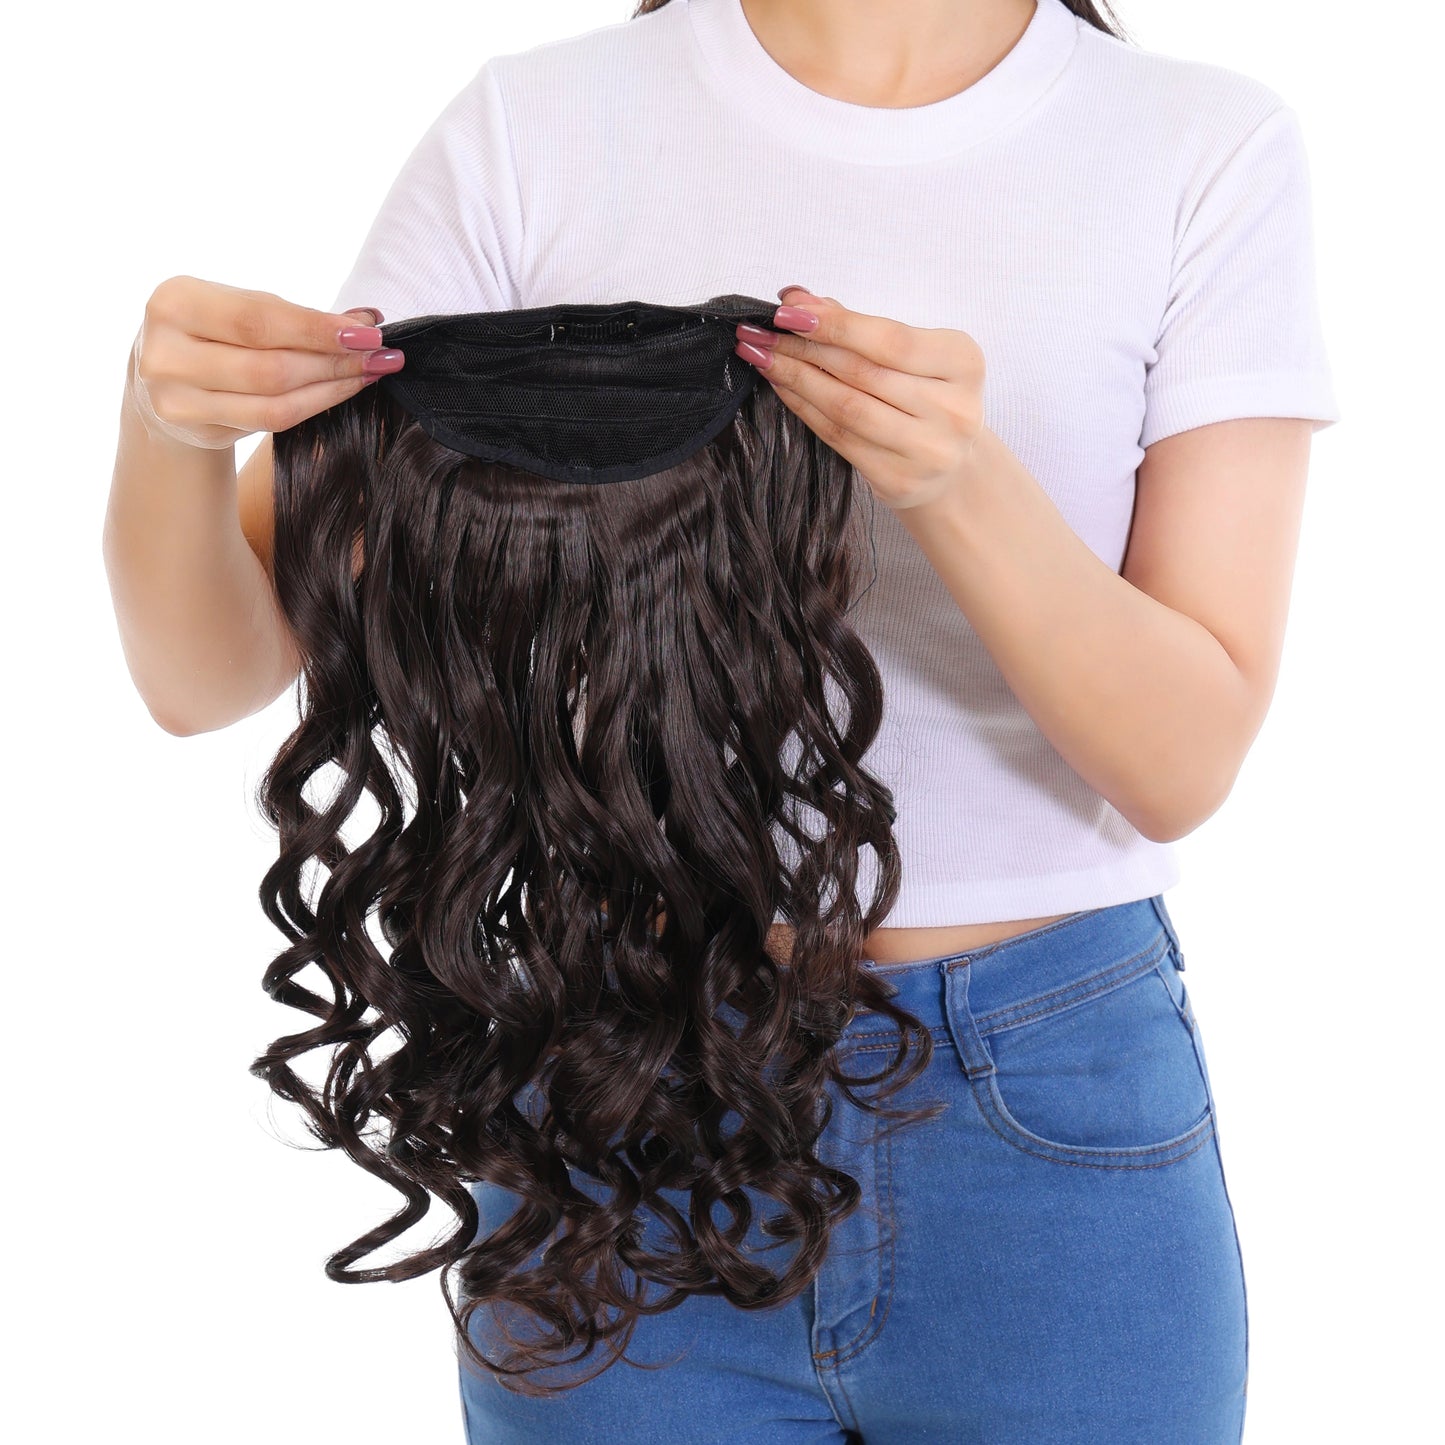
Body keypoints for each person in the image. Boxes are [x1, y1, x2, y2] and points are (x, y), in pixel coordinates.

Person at [101, 2, 1339, 1439]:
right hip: (616, 1077)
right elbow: (206, 673)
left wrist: (954, 482)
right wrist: (169, 430)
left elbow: (1181, 758)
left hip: (1042, 1105)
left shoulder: (1198, 144)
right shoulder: (531, 130)